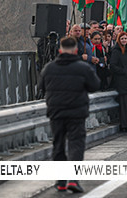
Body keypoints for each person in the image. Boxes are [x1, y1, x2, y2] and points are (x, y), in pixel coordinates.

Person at [39, 36, 100, 193]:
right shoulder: (83, 68)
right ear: (75, 51)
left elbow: (41, 87)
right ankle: (73, 179)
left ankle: (60, 181)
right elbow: (94, 85)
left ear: (60, 50)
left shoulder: (49, 68)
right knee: (76, 144)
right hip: (76, 112)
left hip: (56, 112)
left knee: (58, 145)